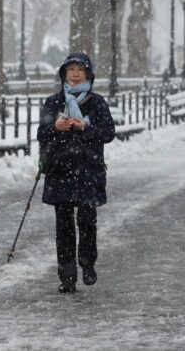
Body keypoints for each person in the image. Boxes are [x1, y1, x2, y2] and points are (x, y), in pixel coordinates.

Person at [37, 53, 116, 294]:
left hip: (88, 171)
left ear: (88, 75)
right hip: (60, 171)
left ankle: (87, 263)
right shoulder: (53, 102)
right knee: (64, 226)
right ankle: (67, 274)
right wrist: (55, 127)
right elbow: (41, 134)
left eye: (80, 69)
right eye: (70, 69)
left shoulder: (97, 102)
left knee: (87, 221)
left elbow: (108, 133)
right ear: (63, 74)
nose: (75, 74)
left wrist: (86, 127)